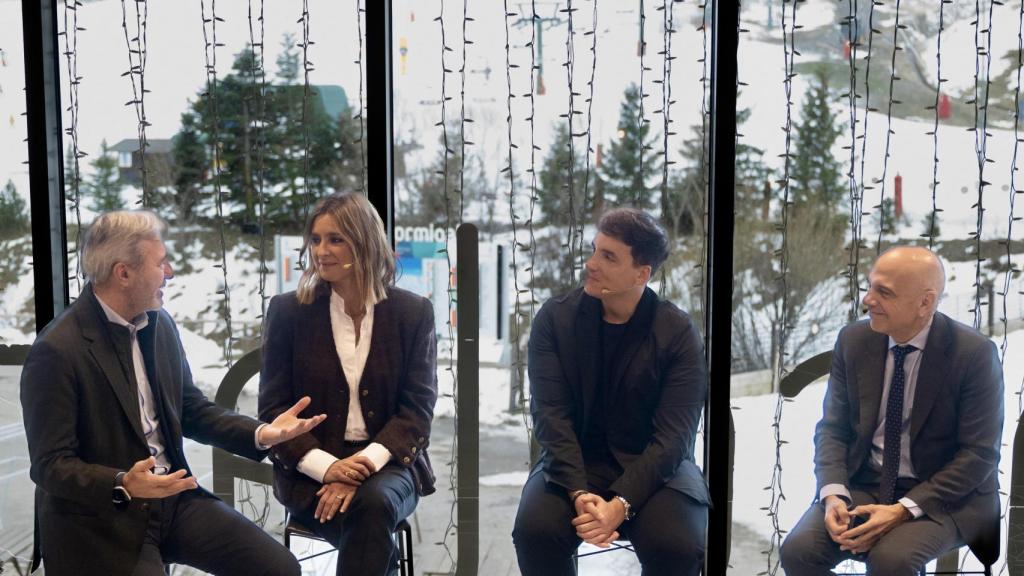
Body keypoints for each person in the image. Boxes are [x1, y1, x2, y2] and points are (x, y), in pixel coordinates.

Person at [20, 210, 326, 576]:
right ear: (124, 272)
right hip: (101, 519)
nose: (170, 273)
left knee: (279, 568)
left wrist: (262, 433)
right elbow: (51, 465)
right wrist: (123, 484)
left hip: (173, 500)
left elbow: (190, 410)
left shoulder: (159, 324)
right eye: (161, 262)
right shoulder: (57, 350)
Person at [780, 246, 1004, 576]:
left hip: (944, 498)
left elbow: (979, 455)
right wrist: (833, 495)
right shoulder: (854, 341)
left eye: (883, 292)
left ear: (925, 303)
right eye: (869, 287)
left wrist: (903, 510)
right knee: (799, 552)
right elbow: (833, 429)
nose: (868, 300)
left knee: (891, 562)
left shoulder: (973, 354)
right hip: (867, 484)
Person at [512, 208, 709, 576]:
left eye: (608, 256)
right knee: (535, 531)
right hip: (574, 464)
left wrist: (621, 504)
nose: (591, 264)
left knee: (676, 543)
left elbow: (673, 438)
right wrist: (578, 493)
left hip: (654, 467)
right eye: (594, 250)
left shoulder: (677, 332)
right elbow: (551, 417)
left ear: (642, 273)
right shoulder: (555, 320)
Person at [259, 192, 437, 576]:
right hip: (309, 468)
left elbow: (417, 413)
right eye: (316, 239)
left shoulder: (412, 313)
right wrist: (327, 468)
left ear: (365, 241)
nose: (322, 250)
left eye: (336, 239)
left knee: (371, 505)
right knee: (368, 518)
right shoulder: (289, 312)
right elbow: (273, 412)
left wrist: (359, 466)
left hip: (389, 463)